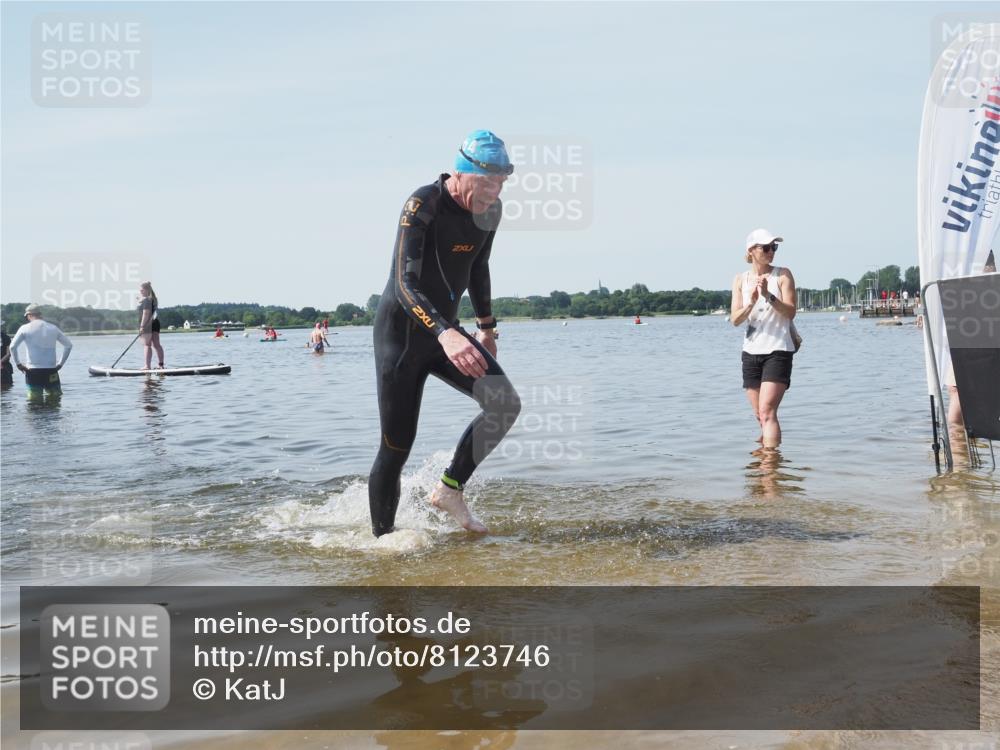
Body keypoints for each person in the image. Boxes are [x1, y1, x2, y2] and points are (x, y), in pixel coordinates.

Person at [368, 129, 521, 537]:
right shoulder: (423, 204)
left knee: (504, 404)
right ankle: (383, 544)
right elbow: (404, 283)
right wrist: (444, 333)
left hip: (445, 335)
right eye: (487, 182)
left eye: (502, 182)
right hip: (400, 339)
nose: (494, 192)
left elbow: (479, 266)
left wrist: (486, 328)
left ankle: (450, 490)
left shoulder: (490, 210)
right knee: (396, 447)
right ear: (461, 173)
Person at [730, 229, 798, 448]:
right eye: (766, 248)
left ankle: (770, 465)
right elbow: (735, 319)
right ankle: (767, 458)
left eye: (774, 247)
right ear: (751, 250)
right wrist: (750, 303)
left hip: (778, 350)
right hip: (750, 352)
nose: (771, 252)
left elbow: (790, 312)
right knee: (760, 415)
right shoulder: (740, 279)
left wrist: (768, 295)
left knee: (767, 412)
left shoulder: (783, 275)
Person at [9, 304, 73, 402]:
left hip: (32, 371)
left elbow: (12, 347)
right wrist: (60, 364)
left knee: (34, 401)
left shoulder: (24, 328)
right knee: (55, 399)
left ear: (29, 315)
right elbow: (68, 345)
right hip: (51, 370)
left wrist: (18, 364)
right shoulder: (53, 328)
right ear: (40, 314)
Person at [138, 281, 165, 369]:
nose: (140, 291)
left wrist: (142, 326)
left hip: (147, 325)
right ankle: (161, 365)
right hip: (155, 323)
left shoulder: (146, 301)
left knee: (147, 345)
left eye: (142, 290)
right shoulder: (153, 299)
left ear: (146, 290)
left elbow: (146, 313)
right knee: (157, 344)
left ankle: (147, 366)